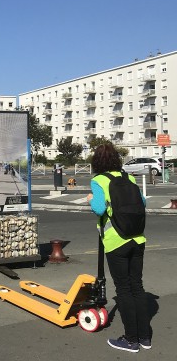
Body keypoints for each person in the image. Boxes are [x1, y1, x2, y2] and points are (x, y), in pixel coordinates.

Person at [87, 143, 151, 353]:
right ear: (116, 160)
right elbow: (142, 202)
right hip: (137, 239)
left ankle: (131, 340)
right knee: (137, 287)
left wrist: (90, 199)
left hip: (117, 241)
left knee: (123, 290)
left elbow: (98, 208)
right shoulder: (129, 178)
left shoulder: (99, 180)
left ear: (97, 162)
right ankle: (144, 338)